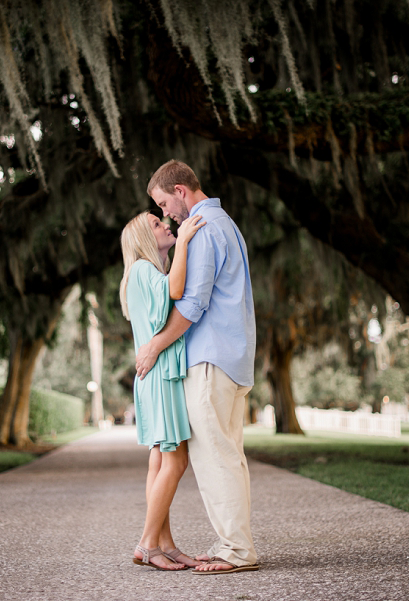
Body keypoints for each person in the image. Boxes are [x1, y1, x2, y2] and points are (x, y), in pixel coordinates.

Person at [136, 159, 259, 574]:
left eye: (163, 202)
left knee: (215, 457)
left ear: (181, 191)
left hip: (210, 359)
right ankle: (235, 544)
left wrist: (154, 345)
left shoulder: (203, 227)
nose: (165, 212)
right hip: (233, 357)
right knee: (231, 455)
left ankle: (236, 551)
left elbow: (191, 304)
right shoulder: (226, 222)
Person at [120, 209, 206, 571]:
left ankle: (165, 544)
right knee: (176, 459)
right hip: (160, 374)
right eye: (157, 224)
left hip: (154, 374)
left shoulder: (143, 273)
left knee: (160, 458)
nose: (166, 224)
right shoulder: (142, 270)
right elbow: (176, 289)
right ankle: (147, 543)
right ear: (143, 238)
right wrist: (185, 239)